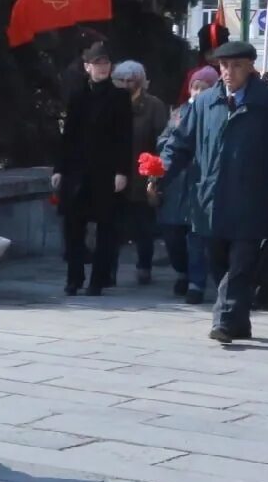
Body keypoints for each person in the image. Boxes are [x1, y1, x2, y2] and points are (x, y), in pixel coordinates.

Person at [159, 40, 268, 345]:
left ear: (249, 67)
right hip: (210, 199)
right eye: (224, 66)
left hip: (253, 200)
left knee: (240, 264)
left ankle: (223, 320)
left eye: (235, 66)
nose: (228, 72)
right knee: (218, 262)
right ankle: (239, 321)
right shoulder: (206, 102)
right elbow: (181, 143)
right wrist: (160, 174)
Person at [56, 43, 135, 295]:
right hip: (77, 172)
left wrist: (122, 171)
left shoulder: (120, 97)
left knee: (106, 228)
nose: (102, 68)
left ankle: (98, 279)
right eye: (97, 63)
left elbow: (125, 137)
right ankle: (74, 277)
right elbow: (68, 135)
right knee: (73, 227)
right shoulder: (78, 95)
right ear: (87, 66)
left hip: (106, 172)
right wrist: (59, 168)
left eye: (105, 63)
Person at [155, 66, 219, 303]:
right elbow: (164, 140)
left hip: (200, 183)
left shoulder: (215, 113)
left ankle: (196, 283)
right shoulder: (178, 113)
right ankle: (183, 271)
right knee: (172, 234)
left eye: (204, 88)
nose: (198, 91)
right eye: (196, 86)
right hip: (176, 184)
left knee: (196, 236)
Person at [115, 60, 169, 285]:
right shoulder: (112, 103)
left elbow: (162, 140)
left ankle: (144, 266)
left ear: (140, 81)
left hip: (141, 174)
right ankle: (108, 269)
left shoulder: (154, 106)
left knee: (143, 226)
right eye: (122, 81)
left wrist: (155, 174)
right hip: (115, 174)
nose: (127, 85)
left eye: (131, 81)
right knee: (113, 226)